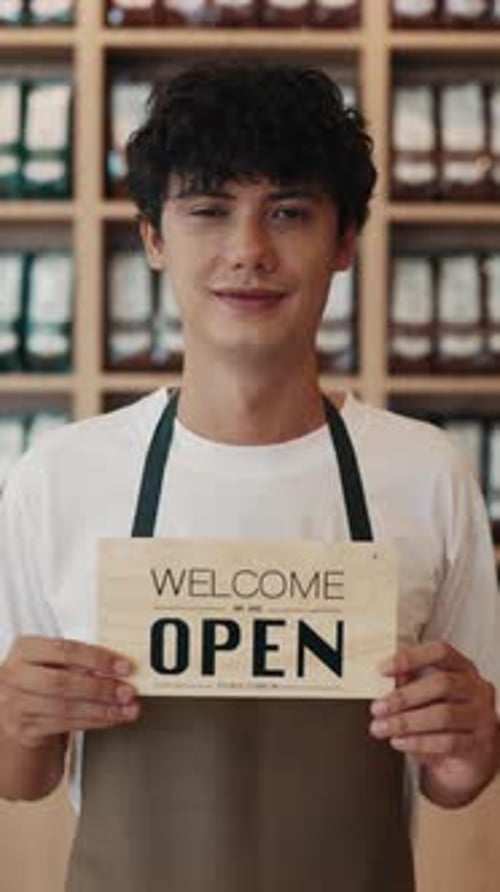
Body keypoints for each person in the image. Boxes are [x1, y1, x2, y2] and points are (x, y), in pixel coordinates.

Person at [0, 61, 498, 892]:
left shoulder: (426, 473)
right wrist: (17, 721)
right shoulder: (59, 476)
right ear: (154, 237)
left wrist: (469, 741)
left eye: (290, 212)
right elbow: (23, 775)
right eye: (207, 211)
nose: (248, 251)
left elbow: (457, 778)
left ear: (343, 242)